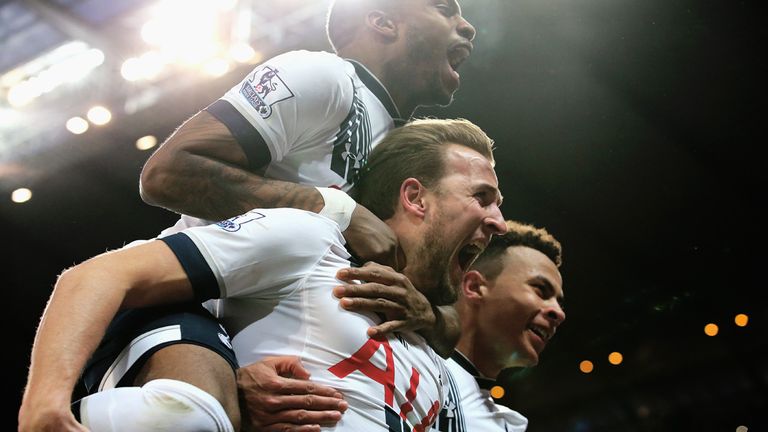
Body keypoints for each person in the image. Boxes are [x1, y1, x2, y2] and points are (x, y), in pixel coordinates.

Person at [18, 118, 507, 432]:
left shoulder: (433, 364)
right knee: (185, 418)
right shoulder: (312, 241)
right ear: (416, 198)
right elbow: (99, 276)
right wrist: (44, 408)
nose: (498, 222)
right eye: (481, 197)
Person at [131, 0, 477, 429]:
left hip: (275, 354)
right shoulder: (324, 76)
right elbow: (168, 173)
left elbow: (447, 319)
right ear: (383, 21)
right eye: (445, 9)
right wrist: (334, 207)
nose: (467, 26)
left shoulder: (401, 148)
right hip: (187, 310)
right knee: (187, 420)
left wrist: (424, 312)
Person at [431, 220, 566, 431]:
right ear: (475, 287)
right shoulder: (397, 354)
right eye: (540, 290)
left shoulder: (508, 426)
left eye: (559, 302)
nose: (559, 313)